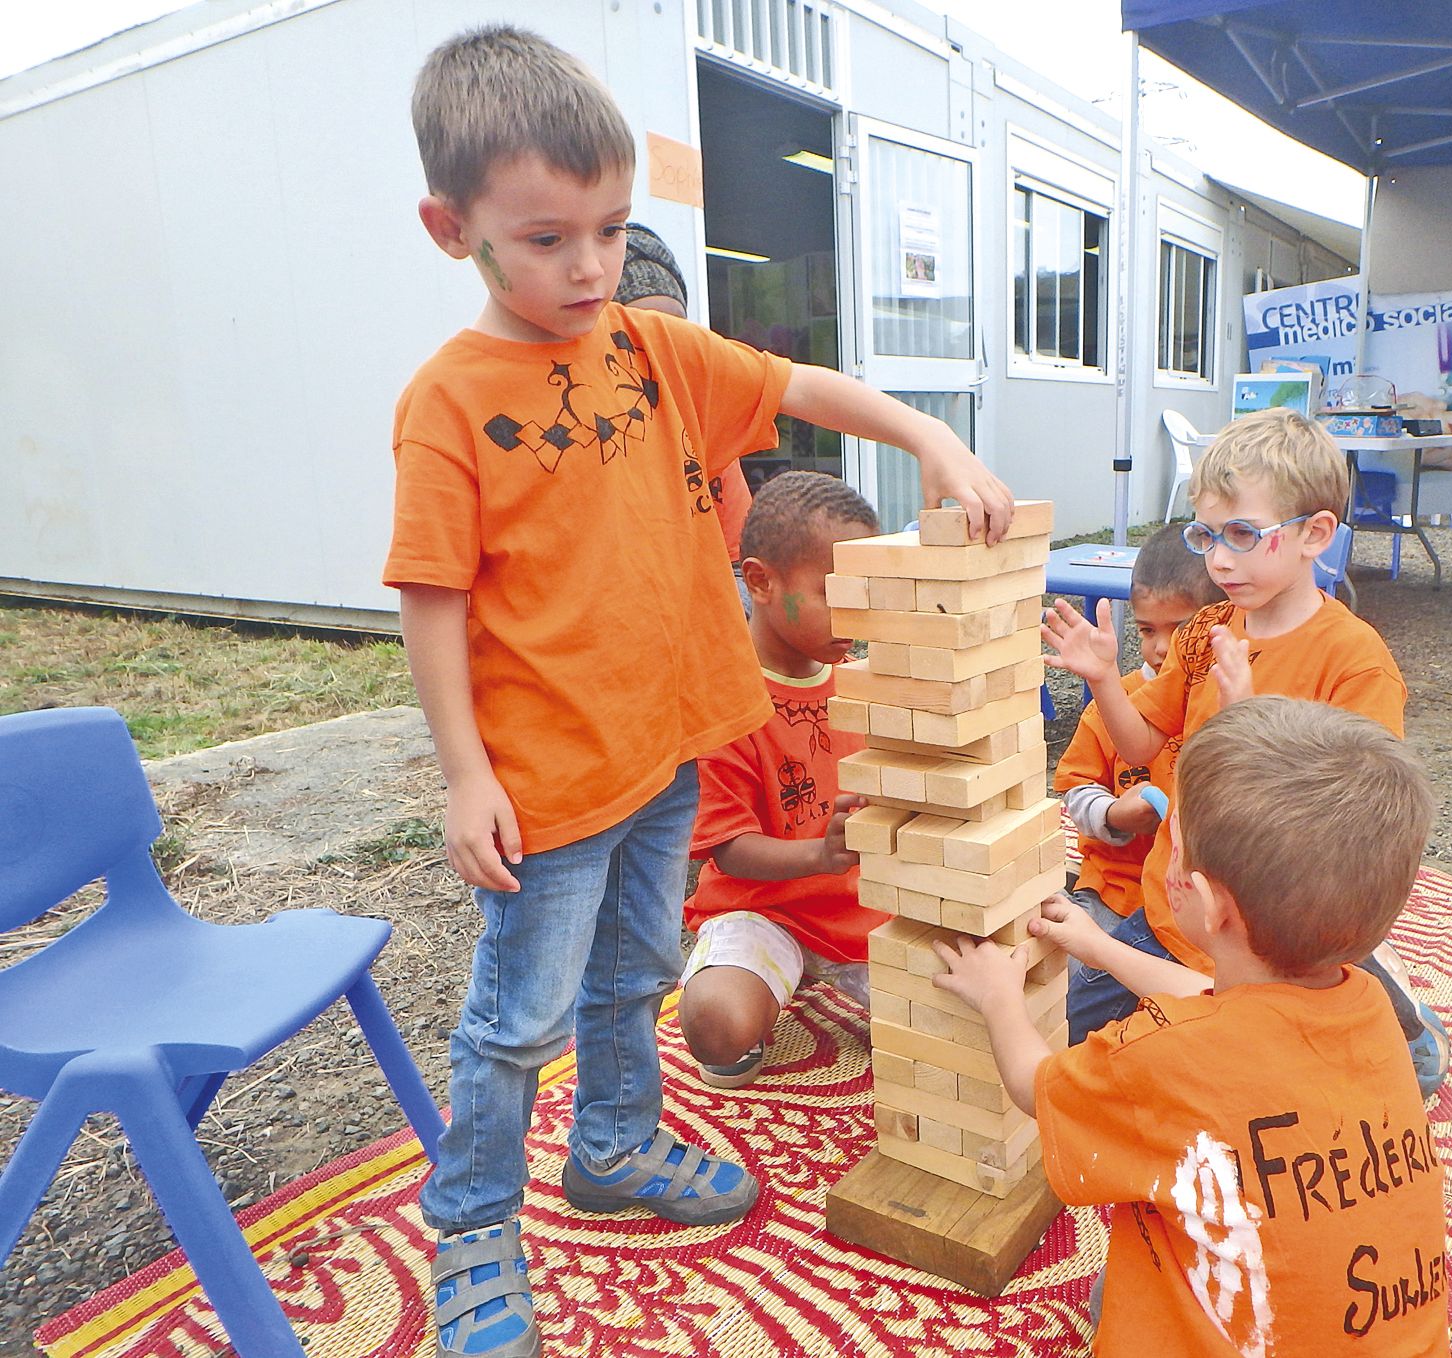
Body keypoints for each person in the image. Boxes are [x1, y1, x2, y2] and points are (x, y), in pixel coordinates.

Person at [385, 27, 1014, 1358]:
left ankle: (612, 1143)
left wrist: (928, 433)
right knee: (516, 1021)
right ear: (454, 229)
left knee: (635, 977)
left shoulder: (655, 354)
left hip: (666, 751)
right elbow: (431, 594)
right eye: (547, 237)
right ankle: (474, 1222)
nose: (590, 265)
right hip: (548, 786)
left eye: (610, 229)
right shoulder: (445, 403)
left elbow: (799, 384)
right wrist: (465, 773)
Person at [933, 697, 1450, 1357]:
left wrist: (999, 997)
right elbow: (1224, 1005)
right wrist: (1103, 949)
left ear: (1203, 904)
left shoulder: (1159, 1057)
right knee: (1116, 1287)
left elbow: (1036, 1088)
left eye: (1170, 845)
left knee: (1125, 1291)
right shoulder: (1373, 1010)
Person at [1042, 407, 1451, 1097]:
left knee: (1362, 1081)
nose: (1219, 560)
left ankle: (1382, 1004)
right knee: (1068, 1037)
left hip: (1276, 934)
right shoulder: (1206, 630)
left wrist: (1246, 723)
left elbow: (1356, 835)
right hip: (1178, 911)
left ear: (1313, 534)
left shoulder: (1353, 662)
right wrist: (1104, 679)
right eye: (1207, 535)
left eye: (1241, 534)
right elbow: (1141, 743)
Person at [678, 472, 886, 1088]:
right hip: (765, 910)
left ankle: (846, 984)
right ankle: (761, 984)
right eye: (833, 592)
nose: (856, 612)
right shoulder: (723, 701)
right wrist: (820, 854)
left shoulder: (868, 681)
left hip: (867, 912)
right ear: (761, 581)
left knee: (955, 1019)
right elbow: (729, 850)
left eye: (865, 591)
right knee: (717, 1024)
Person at [1053, 524, 1220, 956]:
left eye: (1181, 629)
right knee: (1069, 980)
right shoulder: (1114, 702)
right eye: (1147, 631)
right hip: (1116, 892)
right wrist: (1113, 815)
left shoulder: (1227, 703)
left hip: (1201, 907)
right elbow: (1074, 789)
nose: (1162, 647)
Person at [612, 223, 754, 569]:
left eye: (676, 327)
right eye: (644, 331)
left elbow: (742, 565)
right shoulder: (590, 439)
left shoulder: (707, 431)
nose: (666, 345)